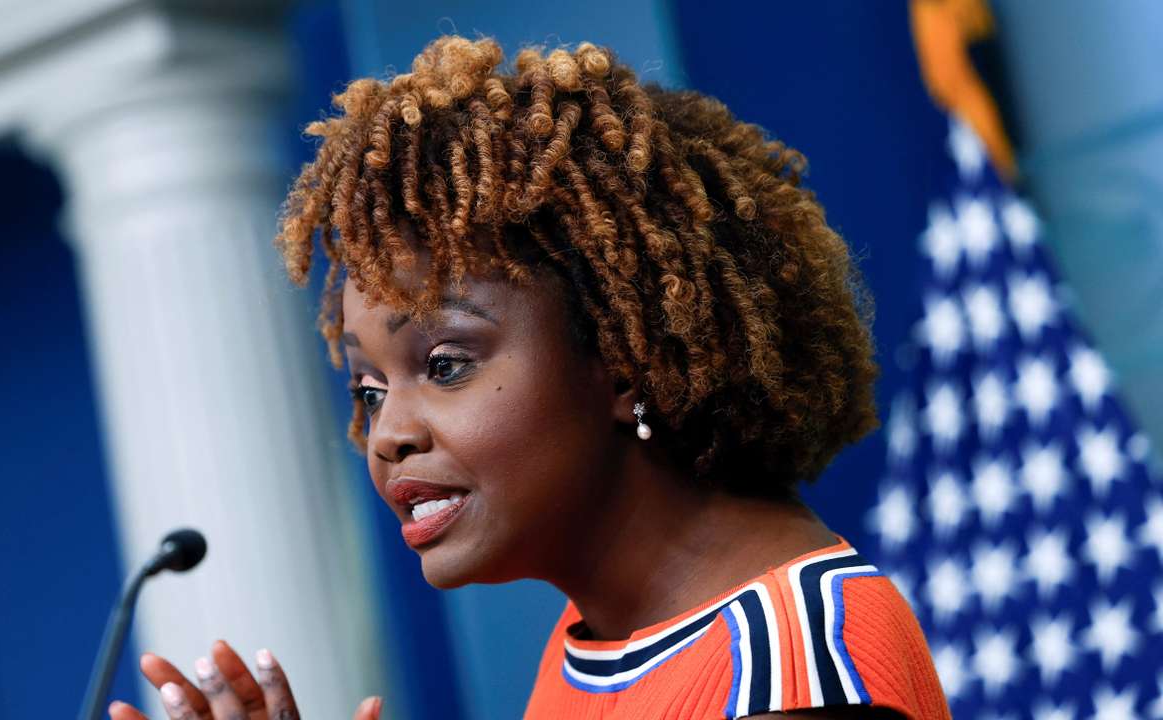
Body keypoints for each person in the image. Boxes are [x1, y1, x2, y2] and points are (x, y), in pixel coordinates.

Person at [109, 35, 950, 720]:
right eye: (369, 389)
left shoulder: (789, 671)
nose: (388, 433)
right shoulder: (597, 639)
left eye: (445, 365)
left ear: (625, 357)